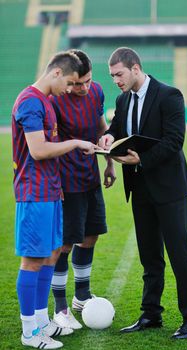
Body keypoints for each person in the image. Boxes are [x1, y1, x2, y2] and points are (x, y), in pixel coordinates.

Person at [99, 47, 187, 339]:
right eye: (112, 76)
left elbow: (175, 141)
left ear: (135, 68)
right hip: (139, 187)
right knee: (149, 256)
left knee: (180, 254)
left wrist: (141, 160)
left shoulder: (170, 95)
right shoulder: (122, 99)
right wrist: (108, 136)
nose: (116, 80)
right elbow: (118, 128)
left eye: (119, 74)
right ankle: (151, 314)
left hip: (169, 187)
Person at [12, 51, 100, 349]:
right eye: (71, 82)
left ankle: (41, 321)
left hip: (52, 190)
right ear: (57, 73)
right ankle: (29, 332)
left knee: (50, 254)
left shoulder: (46, 103)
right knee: (33, 259)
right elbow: (37, 150)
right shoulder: (30, 101)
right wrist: (76, 142)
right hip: (33, 192)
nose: (71, 89)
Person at [49, 49, 116, 330]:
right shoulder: (55, 98)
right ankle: (61, 306)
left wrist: (109, 164)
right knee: (64, 244)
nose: (83, 88)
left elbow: (101, 129)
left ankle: (81, 295)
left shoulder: (97, 92)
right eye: (77, 83)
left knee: (90, 237)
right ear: (67, 79)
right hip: (66, 181)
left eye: (87, 81)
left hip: (90, 177)